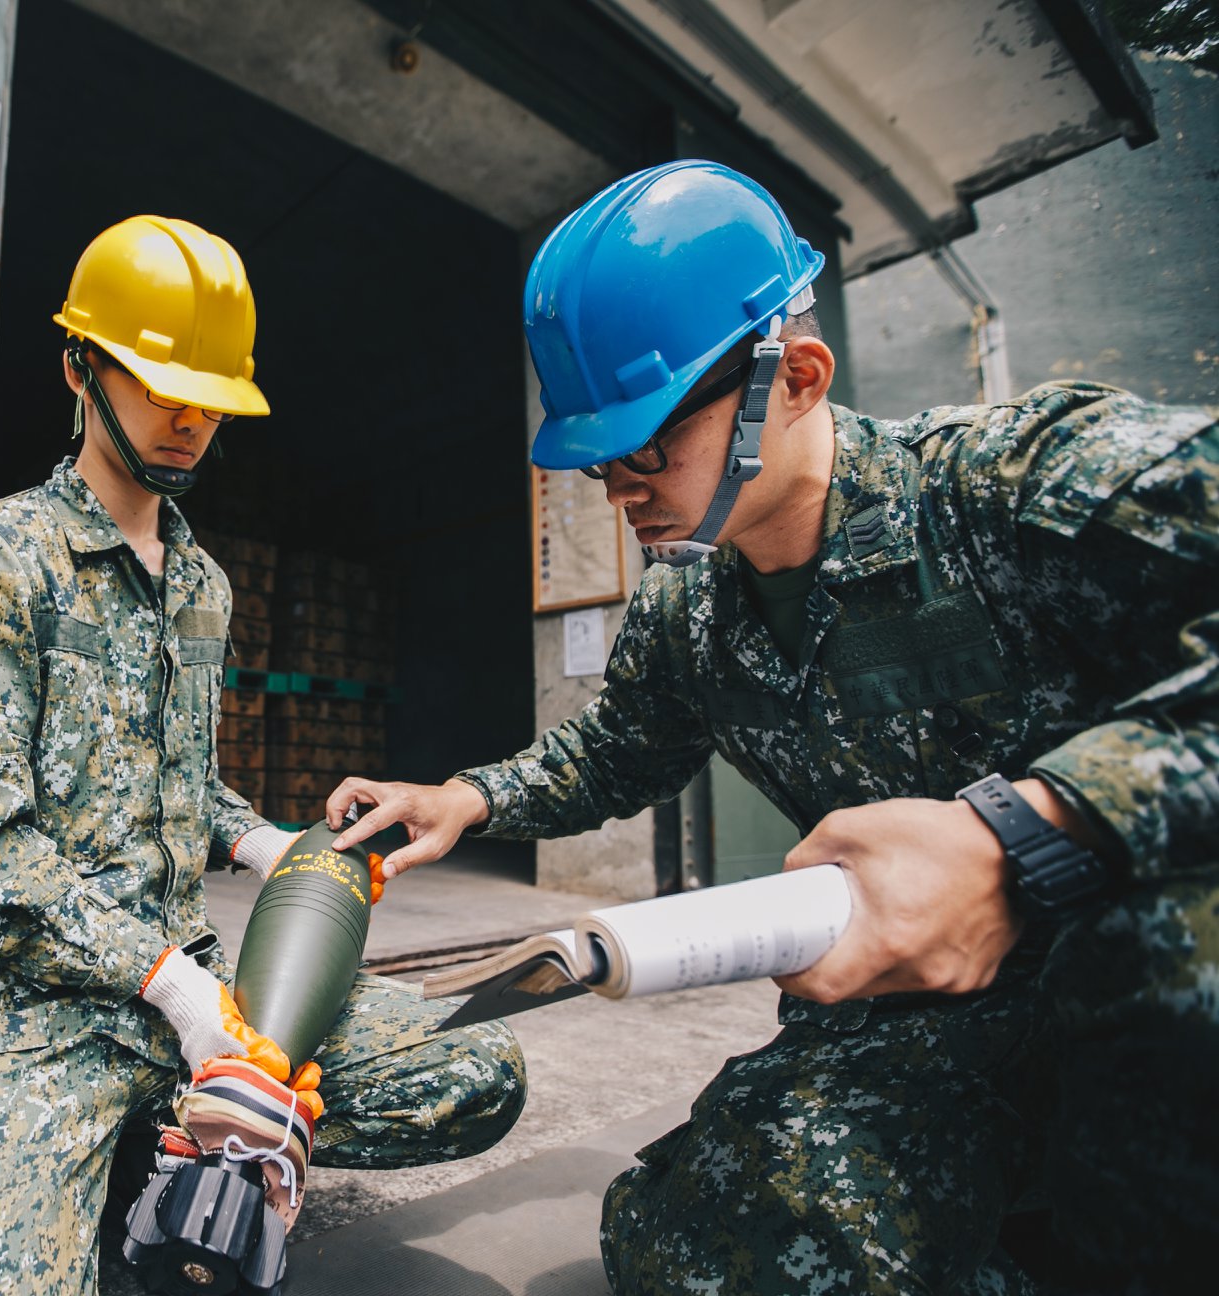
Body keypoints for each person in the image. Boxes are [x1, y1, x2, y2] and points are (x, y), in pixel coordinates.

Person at [328, 161, 1217, 1294]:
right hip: (917, 1008)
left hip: (1135, 959)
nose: (621, 492)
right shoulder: (688, 613)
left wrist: (1039, 832)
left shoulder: (1009, 487)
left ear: (793, 378)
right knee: (706, 1244)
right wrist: (470, 798)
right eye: (600, 463)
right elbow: (613, 751)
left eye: (648, 446)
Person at [0, 215, 525, 1296]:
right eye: (159, 384)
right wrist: (180, 997)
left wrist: (266, 843)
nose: (190, 420)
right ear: (79, 370)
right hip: (19, 1012)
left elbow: (174, 781)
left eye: (211, 399)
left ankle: (144, 1140)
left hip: (184, 987)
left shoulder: (202, 587)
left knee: (474, 1076)